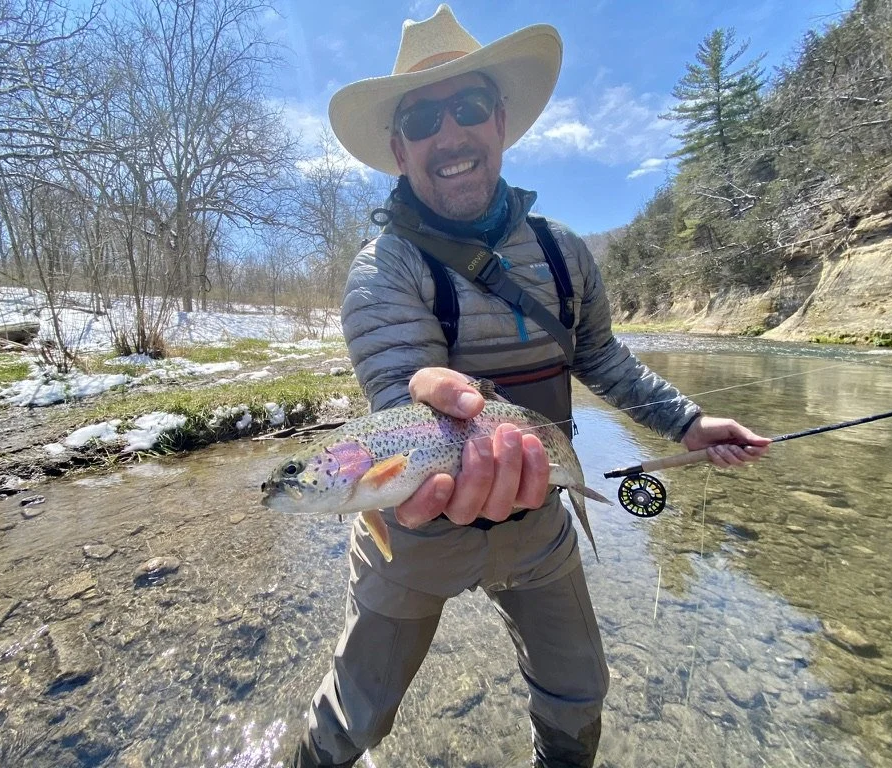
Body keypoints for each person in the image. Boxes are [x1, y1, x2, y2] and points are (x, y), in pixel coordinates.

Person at [293, 5, 771, 767]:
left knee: (579, 692)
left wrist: (688, 425)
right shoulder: (382, 269)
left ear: (501, 122)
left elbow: (605, 360)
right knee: (353, 719)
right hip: (418, 534)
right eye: (422, 117)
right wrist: (421, 396)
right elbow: (395, 405)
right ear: (397, 147)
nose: (449, 134)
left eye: (469, 107)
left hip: (543, 518)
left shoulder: (565, 254)